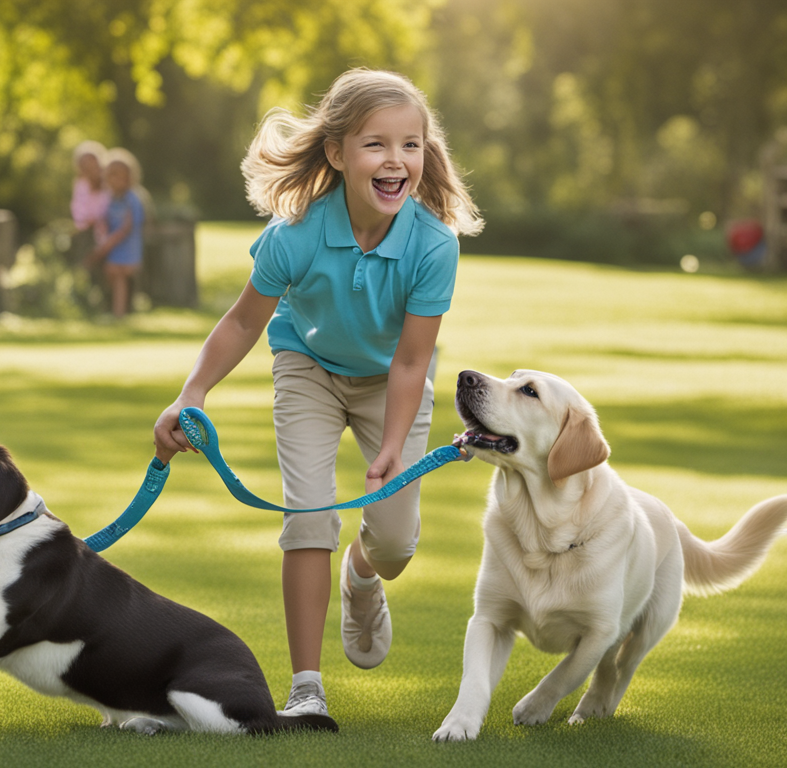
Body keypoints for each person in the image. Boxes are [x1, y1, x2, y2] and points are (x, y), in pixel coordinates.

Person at [153, 68, 482, 719]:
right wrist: (191, 394)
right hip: (308, 369)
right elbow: (243, 321)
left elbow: (414, 360)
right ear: (337, 153)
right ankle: (306, 689)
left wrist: (391, 446)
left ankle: (361, 573)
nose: (396, 161)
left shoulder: (433, 245)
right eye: (376, 144)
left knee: (395, 545)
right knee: (307, 515)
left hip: (391, 381)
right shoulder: (296, 233)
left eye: (410, 145)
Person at [89, 148, 146, 318]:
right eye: (111, 174)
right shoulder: (109, 198)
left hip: (126, 246)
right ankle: (116, 309)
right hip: (112, 245)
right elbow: (103, 219)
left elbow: (127, 227)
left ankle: (119, 313)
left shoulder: (132, 199)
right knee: (111, 275)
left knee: (119, 276)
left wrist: (109, 243)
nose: (114, 179)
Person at [70, 140, 111, 247]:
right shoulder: (81, 185)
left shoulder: (110, 185)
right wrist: (86, 222)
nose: (90, 167)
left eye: (92, 162)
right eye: (85, 164)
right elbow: (77, 210)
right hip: (88, 235)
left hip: (110, 233)